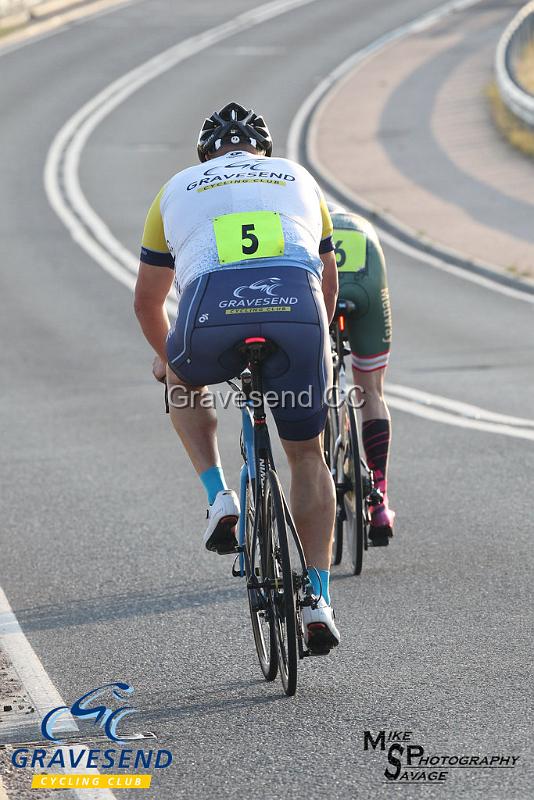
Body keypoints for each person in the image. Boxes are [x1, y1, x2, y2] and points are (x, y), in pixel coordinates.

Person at [134, 102, 340, 653]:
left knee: (181, 378)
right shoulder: (298, 177)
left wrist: (166, 359)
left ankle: (219, 496)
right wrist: (317, 349)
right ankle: (317, 597)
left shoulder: (175, 187)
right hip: (295, 312)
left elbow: (148, 300)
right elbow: (327, 281)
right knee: (307, 456)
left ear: (206, 156)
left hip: (210, 317)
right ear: (262, 153)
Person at [328, 203, 395, 542]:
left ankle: (321, 478)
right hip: (367, 272)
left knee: (314, 381)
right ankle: (379, 499)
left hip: (321, 281)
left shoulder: (299, 219)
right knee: (371, 391)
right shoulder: (357, 223)